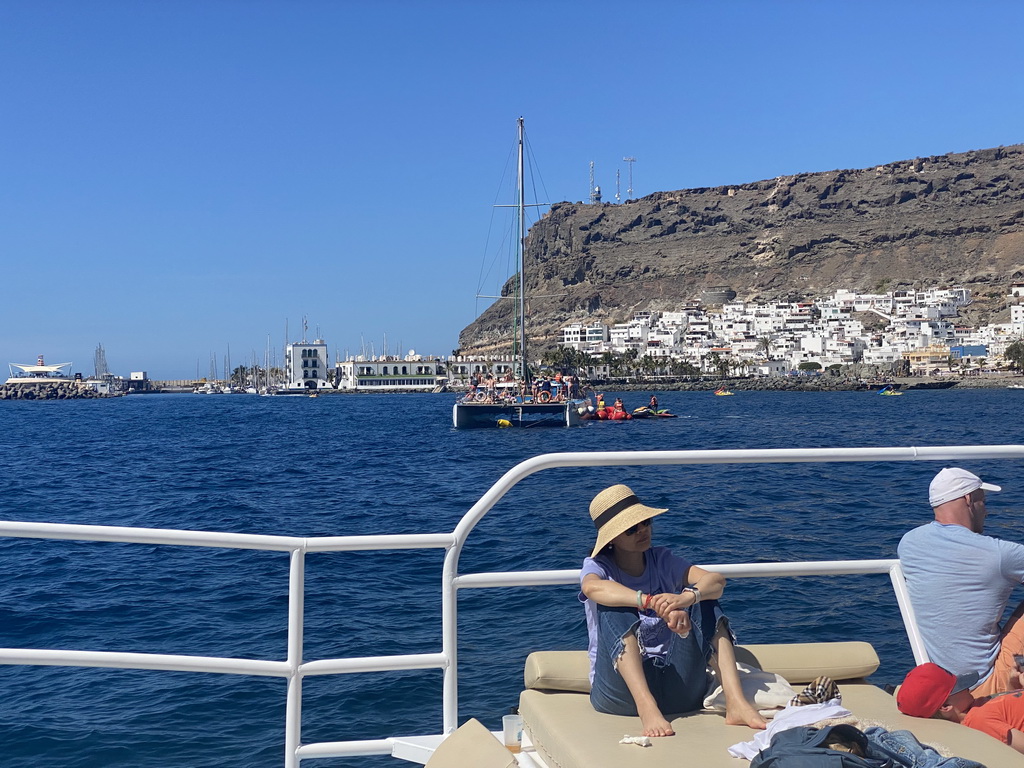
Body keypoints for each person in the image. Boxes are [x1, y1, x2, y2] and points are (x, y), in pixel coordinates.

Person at [579, 484, 767, 737]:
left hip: (676, 683)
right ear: (612, 538)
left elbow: (716, 581)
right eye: (631, 529)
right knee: (614, 606)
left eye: (645, 522)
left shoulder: (662, 559)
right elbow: (593, 589)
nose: (642, 531)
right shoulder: (598, 566)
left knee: (707, 600)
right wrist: (647, 601)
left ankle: (736, 702)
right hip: (619, 693)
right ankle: (647, 707)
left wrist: (686, 598)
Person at [898, 467, 1024, 698]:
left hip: (943, 687)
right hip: (984, 684)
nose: (986, 511)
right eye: (983, 502)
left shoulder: (909, 543)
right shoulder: (998, 554)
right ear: (968, 499)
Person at [897, 662, 1024, 753]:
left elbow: (1010, 712)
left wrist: (1014, 683)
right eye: (959, 687)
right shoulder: (980, 720)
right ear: (946, 707)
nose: (968, 688)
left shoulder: (974, 708)